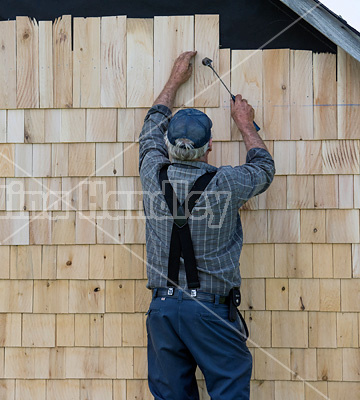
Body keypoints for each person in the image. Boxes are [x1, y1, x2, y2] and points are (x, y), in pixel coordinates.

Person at [139, 50, 275, 400]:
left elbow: (151, 125)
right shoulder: (227, 183)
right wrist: (245, 123)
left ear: (167, 146)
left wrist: (174, 80)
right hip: (212, 311)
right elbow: (263, 168)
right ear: (210, 147)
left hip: (164, 313)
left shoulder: (152, 173)